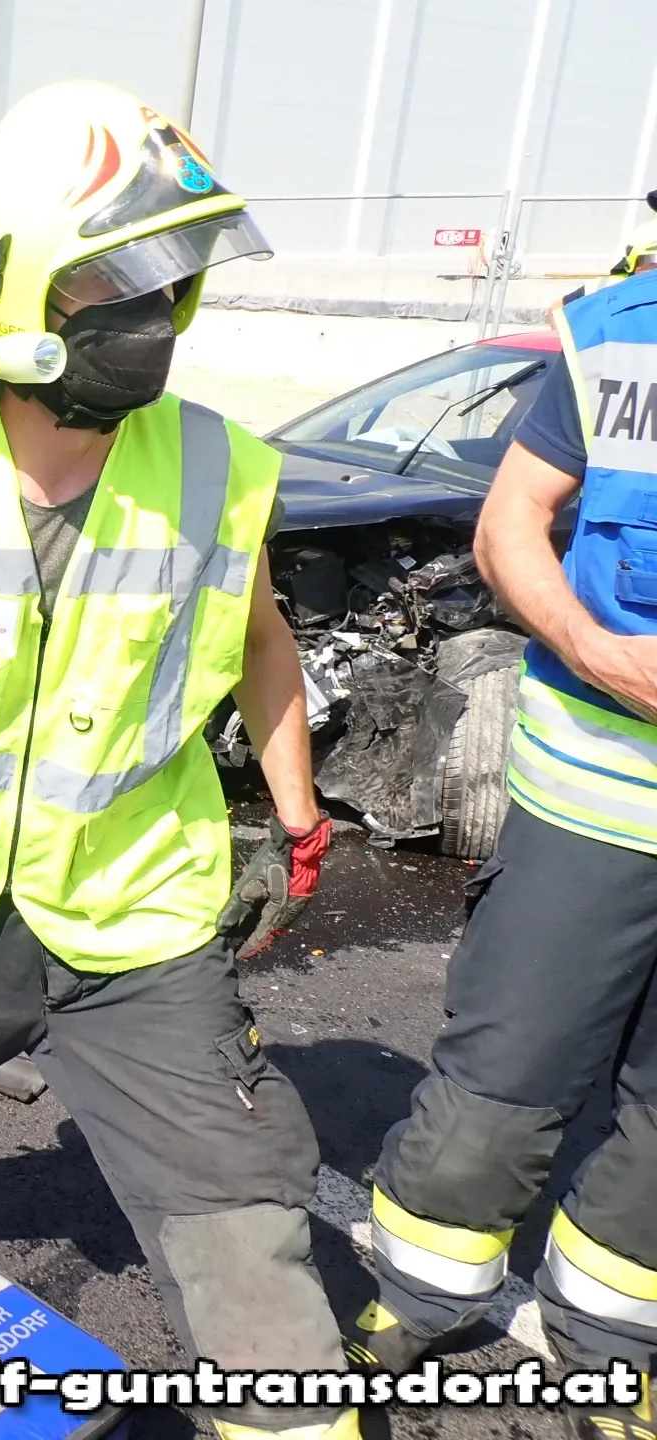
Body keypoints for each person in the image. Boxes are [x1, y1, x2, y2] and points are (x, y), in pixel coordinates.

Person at [0, 82, 353, 1440]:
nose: (154, 317)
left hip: (137, 920)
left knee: (245, 1234)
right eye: (118, 285)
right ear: (23, 297)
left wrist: (298, 820)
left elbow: (262, 643)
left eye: (169, 283)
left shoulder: (220, 468)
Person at [342, 255, 657, 1440]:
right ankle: (420, 1295)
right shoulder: (618, 339)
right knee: (505, 1074)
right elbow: (510, 524)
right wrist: (594, 648)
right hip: (597, 795)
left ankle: (612, 1339)